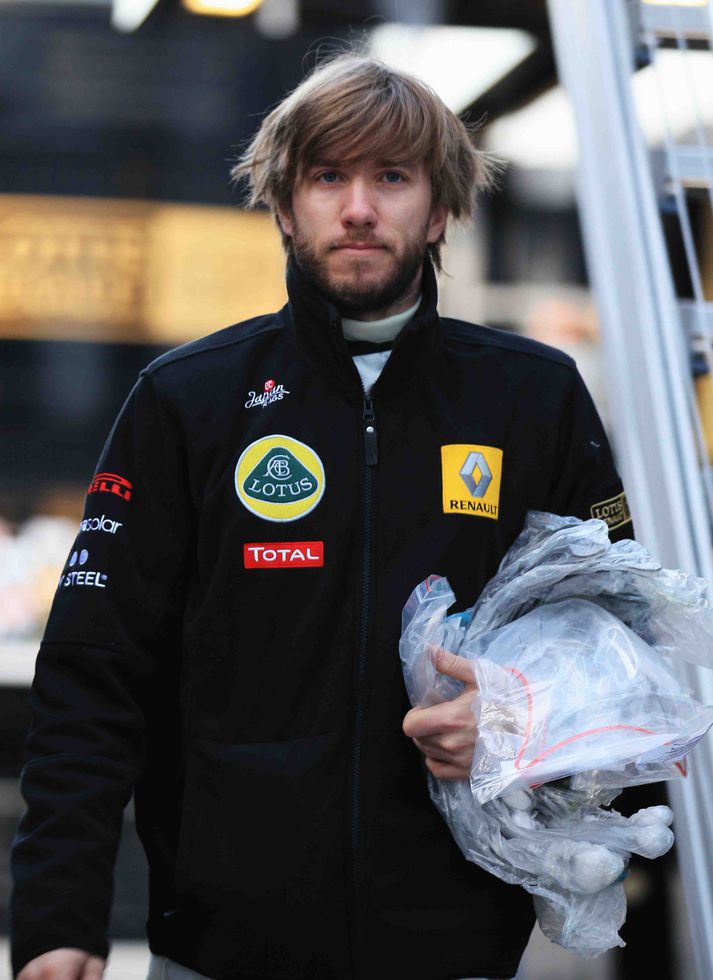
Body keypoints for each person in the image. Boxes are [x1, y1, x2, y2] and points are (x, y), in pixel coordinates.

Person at [10, 54, 633, 980]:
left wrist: (518, 717)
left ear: (442, 206)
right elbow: (92, 679)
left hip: (455, 947)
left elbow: (618, 641)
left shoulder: (531, 398)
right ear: (282, 201)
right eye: (327, 176)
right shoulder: (187, 401)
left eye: (391, 176)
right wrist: (59, 920)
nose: (356, 209)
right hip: (220, 952)